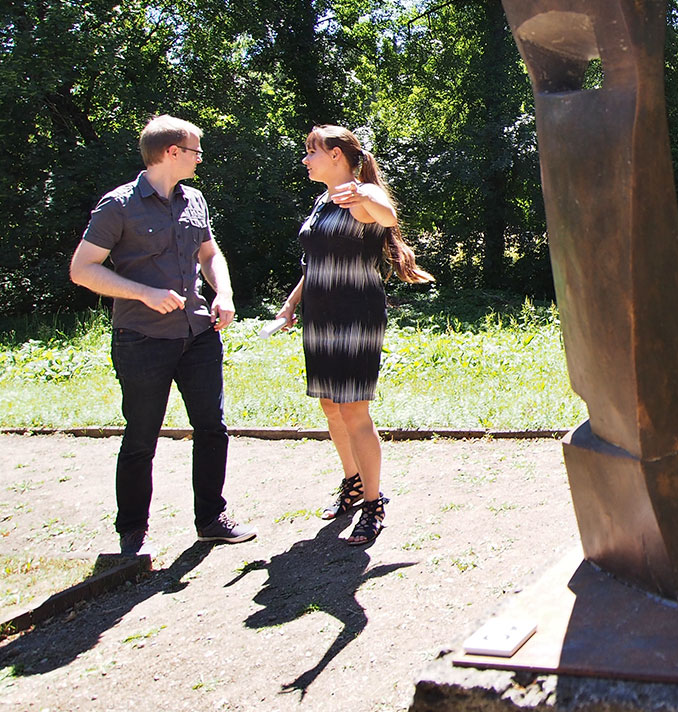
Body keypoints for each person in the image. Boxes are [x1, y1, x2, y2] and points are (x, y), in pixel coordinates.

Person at [70, 115, 257, 555]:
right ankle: (132, 532)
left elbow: (210, 254)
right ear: (172, 152)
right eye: (195, 151)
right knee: (141, 436)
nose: (200, 159)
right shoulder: (118, 206)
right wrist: (144, 293)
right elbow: (82, 270)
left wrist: (224, 292)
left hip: (199, 333)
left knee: (212, 428)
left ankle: (211, 519)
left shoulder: (194, 199)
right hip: (142, 338)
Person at [271, 126, 432, 546]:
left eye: (312, 151)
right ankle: (353, 482)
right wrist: (290, 305)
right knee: (330, 405)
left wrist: (362, 197)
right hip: (319, 315)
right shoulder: (322, 201)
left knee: (354, 410)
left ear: (337, 155)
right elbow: (314, 263)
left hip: (354, 315)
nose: (306, 159)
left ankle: (374, 504)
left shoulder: (361, 194)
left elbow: (387, 215)